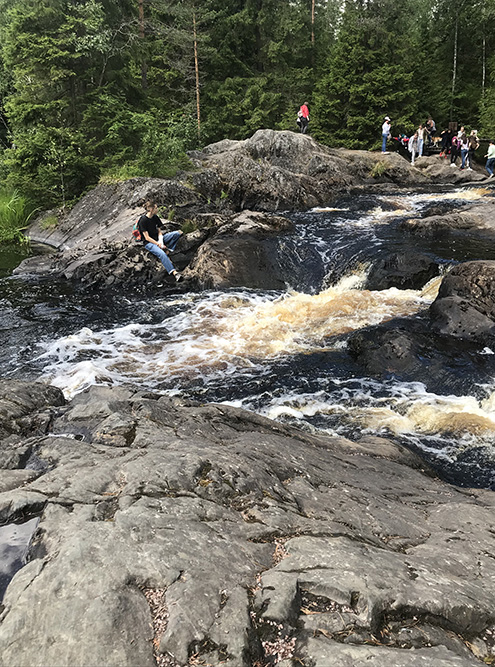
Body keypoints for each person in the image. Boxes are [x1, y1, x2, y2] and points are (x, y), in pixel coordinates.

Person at [138, 200, 183, 281]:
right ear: (151, 209)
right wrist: (158, 244)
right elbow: (147, 238)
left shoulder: (155, 217)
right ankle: (174, 273)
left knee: (177, 233)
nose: (157, 209)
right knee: (162, 254)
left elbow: (159, 231)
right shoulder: (143, 221)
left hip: (158, 239)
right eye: (156, 208)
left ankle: (168, 249)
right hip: (149, 243)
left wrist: (161, 241)